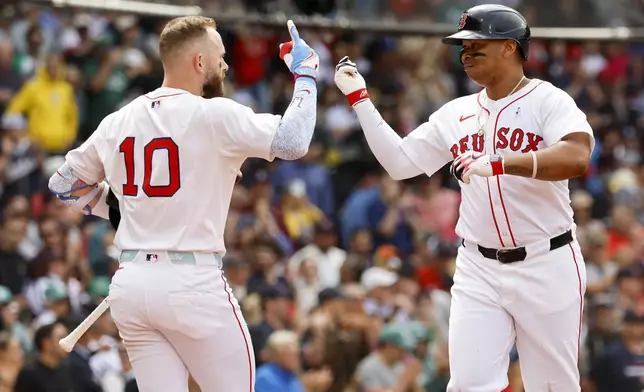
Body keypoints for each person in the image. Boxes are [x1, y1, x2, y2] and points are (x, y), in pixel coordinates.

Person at [47, 16, 319, 391]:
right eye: (220, 56)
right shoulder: (213, 112)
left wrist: (121, 206)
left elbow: (64, 183)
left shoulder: (118, 119)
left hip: (131, 284)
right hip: (192, 281)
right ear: (199, 62)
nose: (225, 64)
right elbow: (293, 140)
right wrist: (306, 75)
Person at [334, 4, 594, 391]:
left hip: (547, 259)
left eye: (476, 44)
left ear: (509, 47)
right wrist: (360, 99)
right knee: (469, 384)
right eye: (462, 46)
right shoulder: (455, 113)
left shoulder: (547, 100)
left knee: (552, 385)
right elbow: (401, 163)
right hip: (478, 265)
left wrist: (502, 162)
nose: (465, 53)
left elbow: (577, 156)